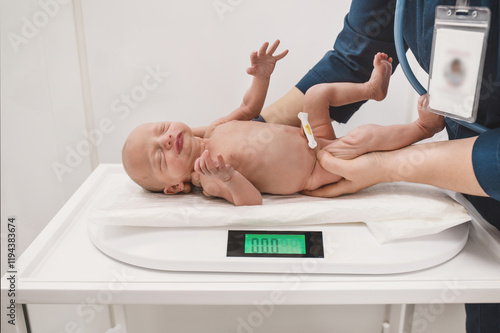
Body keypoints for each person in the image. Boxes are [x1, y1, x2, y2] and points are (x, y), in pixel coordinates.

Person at [257, 1, 499, 332]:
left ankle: (419, 128)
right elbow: (355, 56)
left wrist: (388, 165)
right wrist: (251, 130)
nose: (168, 139)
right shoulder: (210, 146)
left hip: (478, 164)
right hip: (478, 195)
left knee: (357, 131)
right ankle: (417, 127)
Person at [122, 40, 442, 206]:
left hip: (313, 140)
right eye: (159, 156)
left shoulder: (216, 128)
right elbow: (251, 201)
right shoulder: (208, 176)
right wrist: (229, 178)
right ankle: (423, 128)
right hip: (318, 168)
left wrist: (262, 76)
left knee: (316, 95)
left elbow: (249, 107)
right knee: (363, 138)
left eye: (161, 129)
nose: (164, 141)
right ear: (175, 186)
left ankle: (372, 90)